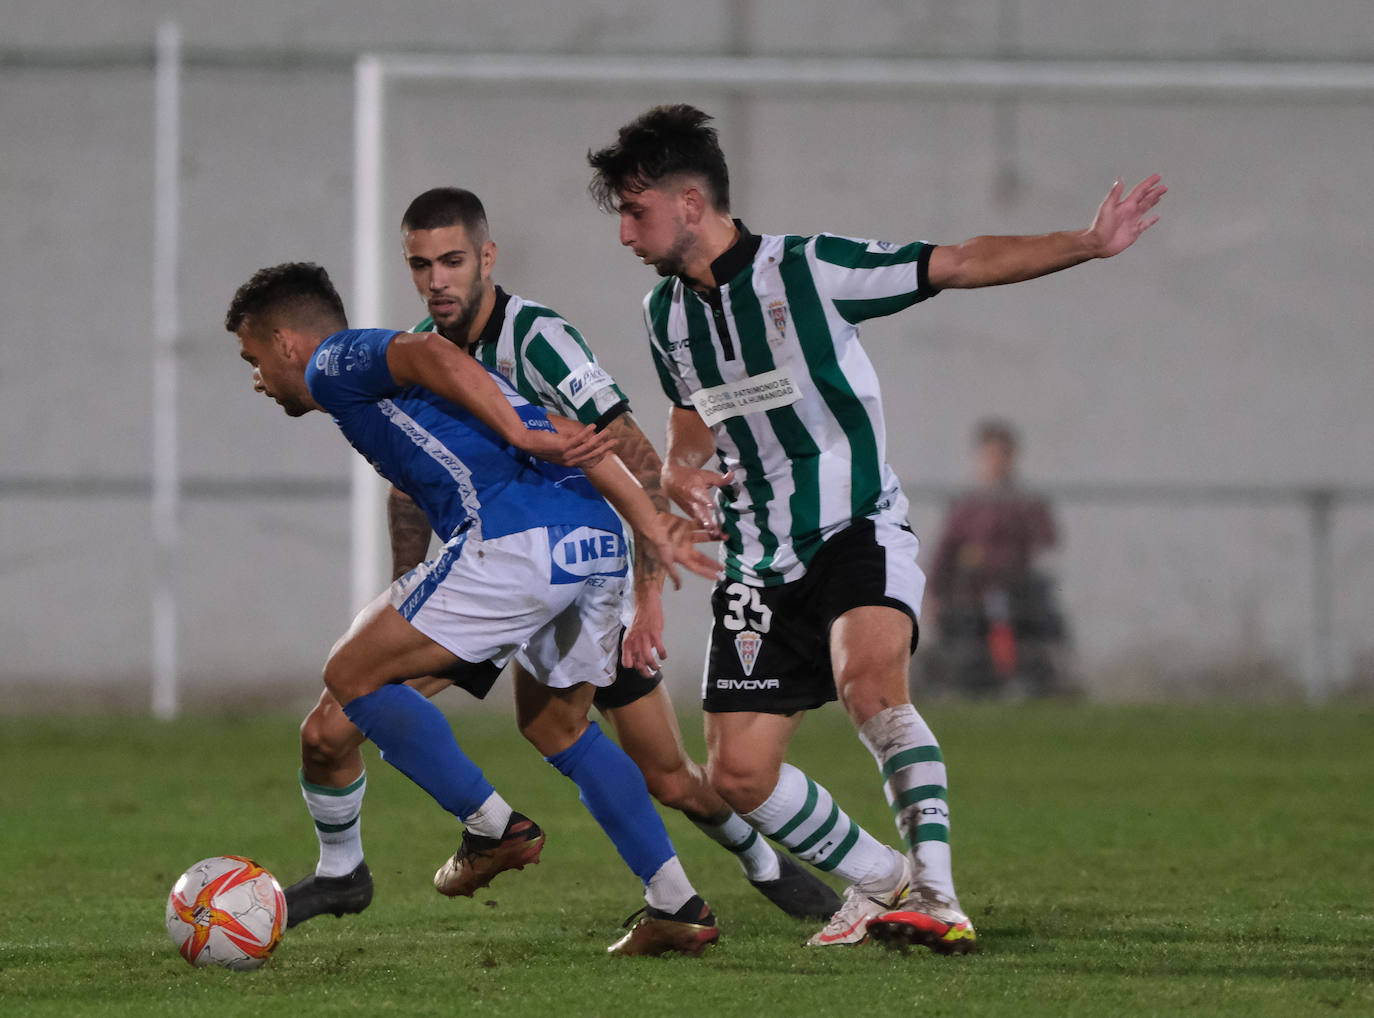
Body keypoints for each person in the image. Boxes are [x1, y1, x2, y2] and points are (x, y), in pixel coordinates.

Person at [587, 103, 1164, 953]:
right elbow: (687, 411)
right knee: (739, 776)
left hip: (854, 528)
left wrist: (1085, 242)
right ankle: (882, 879)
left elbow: (960, 261)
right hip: (755, 561)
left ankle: (936, 892)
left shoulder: (810, 270)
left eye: (634, 211)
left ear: (690, 202)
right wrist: (678, 464)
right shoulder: (662, 315)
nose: (625, 232)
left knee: (871, 689)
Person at [281, 188, 839, 932]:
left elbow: (626, 451)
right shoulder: (423, 349)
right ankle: (355, 866)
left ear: (486, 257)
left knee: (667, 774)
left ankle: (760, 862)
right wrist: (408, 590)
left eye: (452, 261)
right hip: (503, 566)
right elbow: (408, 492)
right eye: (421, 265)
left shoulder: (535, 336)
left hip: (579, 565)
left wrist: (649, 599)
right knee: (342, 720)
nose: (437, 280)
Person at [224, 261, 723, 956]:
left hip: (512, 542)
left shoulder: (334, 362)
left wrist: (520, 443)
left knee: (349, 674)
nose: (257, 378)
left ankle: (492, 827)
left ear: (286, 344)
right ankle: (676, 904)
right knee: (559, 727)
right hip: (590, 540)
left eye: (253, 359)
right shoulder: (430, 388)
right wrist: (646, 522)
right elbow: (561, 427)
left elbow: (427, 351)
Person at [924, 418, 1067, 698]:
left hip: (1017, 587)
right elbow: (945, 550)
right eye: (990, 454)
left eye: (1003, 454)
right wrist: (933, 592)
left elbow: (1047, 540)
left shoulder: (1024, 500)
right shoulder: (967, 503)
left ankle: (1012, 675)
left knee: (1003, 607)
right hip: (971, 590)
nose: (996, 462)